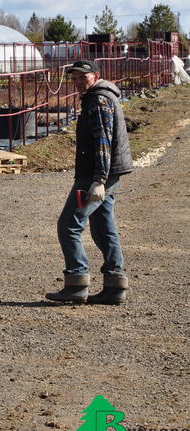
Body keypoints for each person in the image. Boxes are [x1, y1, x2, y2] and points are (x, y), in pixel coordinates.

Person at [46, 60, 133, 305]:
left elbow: (103, 142)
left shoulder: (99, 100)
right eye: (74, 78)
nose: (77, 82)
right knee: (104, 228)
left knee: (69, 225)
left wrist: (99, 180)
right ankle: (115, 287)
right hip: (106, 172)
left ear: (95, 75)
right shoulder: (100, 96)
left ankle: (76, 282)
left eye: (82, 77)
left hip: (97, 174)